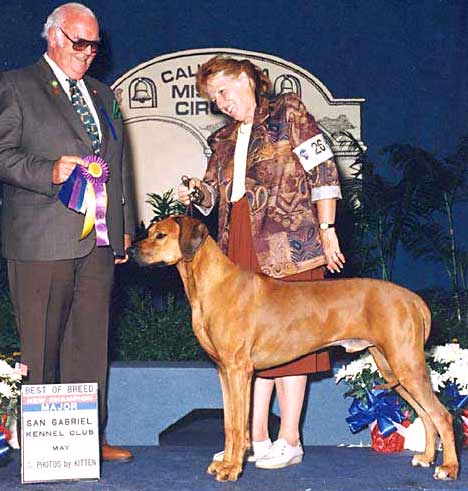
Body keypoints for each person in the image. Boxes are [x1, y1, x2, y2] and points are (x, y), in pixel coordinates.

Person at [178, 55, 345, 470]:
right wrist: (196, 194)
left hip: (289, 240)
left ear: (247, 78)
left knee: (294, 341)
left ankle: (289, 439)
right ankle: (251, 439)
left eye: (224, 90)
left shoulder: (289, 112)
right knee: (242, 347)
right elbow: (214, 196)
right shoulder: (223, 139)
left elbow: (322, 168)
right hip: (235, 241)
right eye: (214, 97)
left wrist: (327, 228)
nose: (221, 102)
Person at [0, 3, 135, 462]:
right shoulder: (15, 86)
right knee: (41, 345)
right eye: (81, 43)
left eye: (95, 45)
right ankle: (42, 446)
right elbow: (3, 155)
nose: (89, 52)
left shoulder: (103, 93)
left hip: (97, 240)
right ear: (54, 37)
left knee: (90, 343)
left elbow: (119, 165)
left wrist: (122, 228)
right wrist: (49, 170)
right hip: (40, 240)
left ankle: (89, 441)